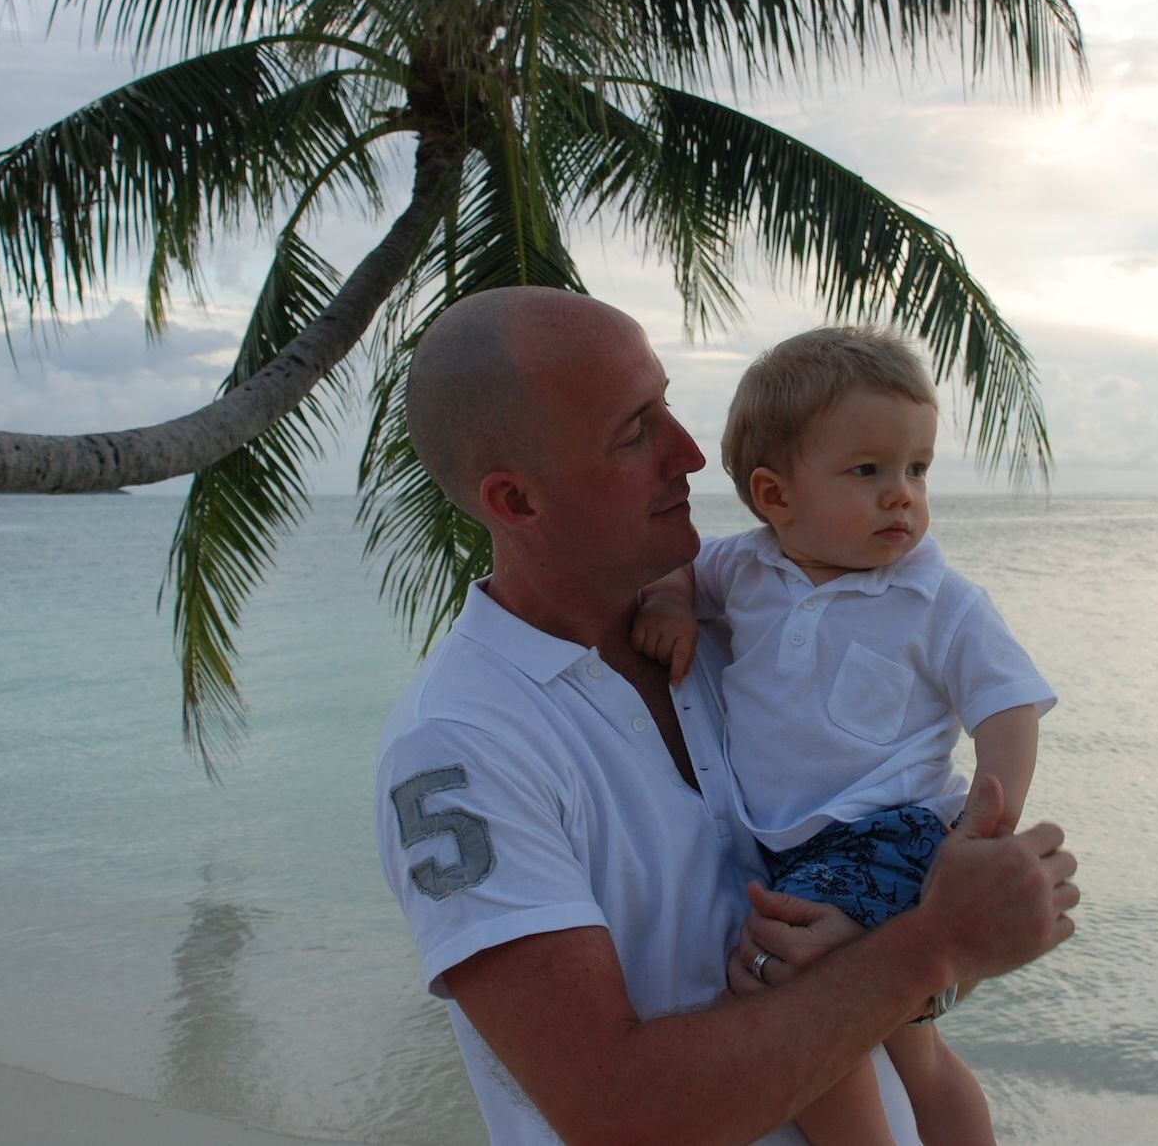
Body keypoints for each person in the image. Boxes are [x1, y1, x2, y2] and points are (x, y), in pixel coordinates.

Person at [375, 287, 1079, 1144]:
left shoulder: (739, 632)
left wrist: (940, 941)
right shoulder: (461, 746)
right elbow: (615, 1112)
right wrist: (934, 945)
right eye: (635, 431)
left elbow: (887, 957)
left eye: (668, 404)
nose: (691, 453)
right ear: (517, 501)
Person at [631, 328, 1053, 1145]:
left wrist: (983, 830)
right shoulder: (743, 569)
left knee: (794, 995)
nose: (902, 495)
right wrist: (675, 605)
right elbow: (676, 568)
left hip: (892, 836)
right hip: (798, 850)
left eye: (918, 469)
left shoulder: (938, 597)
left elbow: (1008, 707)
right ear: (775, 495)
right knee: (911, 1044)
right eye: (869, 471)